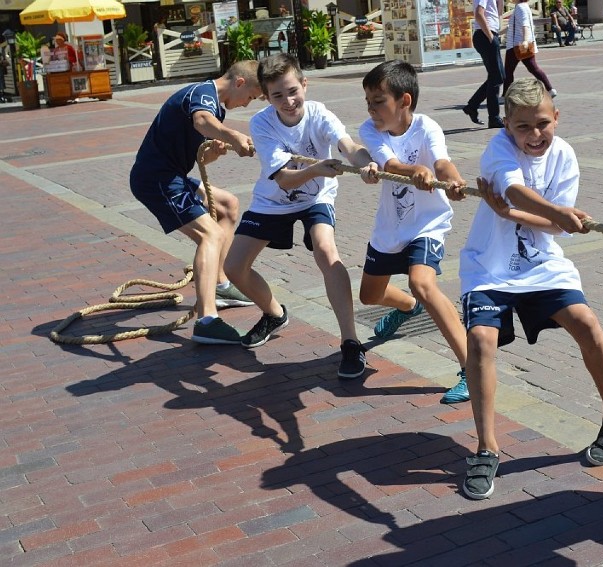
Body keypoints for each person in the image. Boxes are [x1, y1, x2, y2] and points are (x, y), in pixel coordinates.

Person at [458, 77, 603, 500]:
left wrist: (513, 212)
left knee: (586, 323)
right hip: (489, 266)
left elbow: (555, 227)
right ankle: (486, 448)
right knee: (480, 341)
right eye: (522, 127)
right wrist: (524, 208)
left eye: (542, 124)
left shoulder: (565, 155)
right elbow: (515, 189)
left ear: (556, 117)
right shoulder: (498, 148)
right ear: (506, 125)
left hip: (542, 265)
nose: (534, 136)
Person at [224, 53, 377, 380]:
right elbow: (284, 179)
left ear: (305, 84)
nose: (288, 101)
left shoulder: (319, 113)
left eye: (293, 90)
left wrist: (366, 163)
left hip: (316, 197)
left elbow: (348, 145)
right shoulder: (262, 123)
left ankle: (351, 342)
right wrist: (319, 168)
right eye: (277, 95)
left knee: (325, 250)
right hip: (273, 200)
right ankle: (274, 314)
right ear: (265, 96)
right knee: (234, 267)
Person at [359, 59, 471, 404]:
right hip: (390, 228)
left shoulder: (426, 126)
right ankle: (408, 308)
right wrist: (415, 169)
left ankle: (472, 368)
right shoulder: (370, 130)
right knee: (369, 296)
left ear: (404, 101)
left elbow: (441, 161)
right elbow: (391, 165)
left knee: (422, 283)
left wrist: (451, 178)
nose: (372, 109)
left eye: (379, 101)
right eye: (368, 102)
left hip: (428, 222)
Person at [130, 60, 262, 345]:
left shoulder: (217, 109)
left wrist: (215, 150)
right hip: (157, 179)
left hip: (173, 175)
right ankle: (207, 320)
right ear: (240, 82)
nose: (248, 104)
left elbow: (201, 158)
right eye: (251, 96)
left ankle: (221, 284)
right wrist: (232, 135)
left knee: (228, 205)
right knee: (210, 234)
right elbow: (201, 122)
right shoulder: (203, 94)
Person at [461, 0, 506, 129]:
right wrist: (491, 37)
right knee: (496, 77)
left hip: (488, 34)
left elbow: (499, 13)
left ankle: (472, 106)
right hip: (485, 35)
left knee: (498, 76)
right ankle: (493, 118)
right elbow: (479, 14)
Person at [503, 0, 557, 99]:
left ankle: (505, 95)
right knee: (533, 68)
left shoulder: (520, 7)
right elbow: (512, 26)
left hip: (517, 45)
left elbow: (525, 25)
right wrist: (498, 33)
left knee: (508, 71)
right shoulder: (523, 6)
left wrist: (525, 41)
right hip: (522, 44)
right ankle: (550, 89)